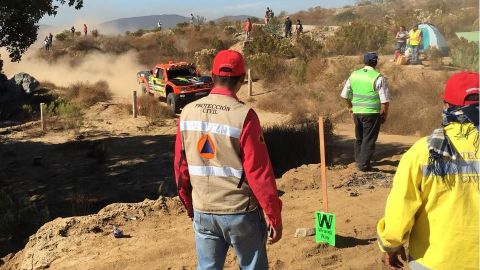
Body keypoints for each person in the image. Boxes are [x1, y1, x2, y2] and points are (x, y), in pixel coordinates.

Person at [174, 50, 283, 269]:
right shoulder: (244, 115)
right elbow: (259, 173)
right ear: (242, 80)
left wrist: (189, 204)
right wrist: (273, 215)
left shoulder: (186, 112)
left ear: (212, 77)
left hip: (203, 209)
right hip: (240, 212)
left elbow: (180, 166)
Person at [377, 71, 479, 270]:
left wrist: (391, 245)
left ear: (446, 106)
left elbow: (400, 209)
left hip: (434, 260)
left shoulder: (422, 152)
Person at [340, 52, 390, 172]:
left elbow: (345, 95)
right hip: (371, 113)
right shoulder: (378, 77)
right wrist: (385, 114)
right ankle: (363, 166)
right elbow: (385, 101)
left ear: (364, 62)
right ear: (376, 62)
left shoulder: (354, 75)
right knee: (369, 139)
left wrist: (350, 107)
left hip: (357, 113)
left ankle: (359, 161)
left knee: (359, 138)